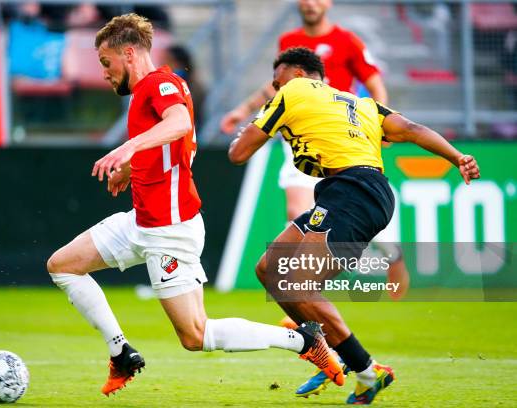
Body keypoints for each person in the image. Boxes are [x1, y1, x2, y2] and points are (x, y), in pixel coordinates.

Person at [46, 14, 344, 397]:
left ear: (130, 53)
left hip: (169, 231)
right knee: (63, 265)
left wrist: (126, 147)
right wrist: (133, 168)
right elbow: (171, 149)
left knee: (196, 335)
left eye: (107, 63)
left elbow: (181, 123)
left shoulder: (161, 84)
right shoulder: (153, 90)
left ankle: (304, 343)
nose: (104, 73)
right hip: (143, 220)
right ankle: (120, 353)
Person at [228, 47, 480, 404]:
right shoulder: (359, 103)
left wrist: (249, 129)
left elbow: (238, 154)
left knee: (295, 280)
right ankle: (327, 351)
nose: (273, 87)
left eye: (277, 79)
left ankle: (364, 368)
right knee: (270, 269)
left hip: (353, 193)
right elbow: (411, 128)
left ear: (298, 75)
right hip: (353, 193)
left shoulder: (292, 92)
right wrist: (457, 157)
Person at [221, 0, 408, 300]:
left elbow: (374, 84)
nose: (310, 3)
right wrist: (243, 110)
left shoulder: (347, 41)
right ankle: (299, 293)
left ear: (328, 3)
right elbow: (276, 88)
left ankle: (391, 254)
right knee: (297, 210)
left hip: (339, 142)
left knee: (359, 221)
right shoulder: (289, 42)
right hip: (299, 140)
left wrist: (381, 124)